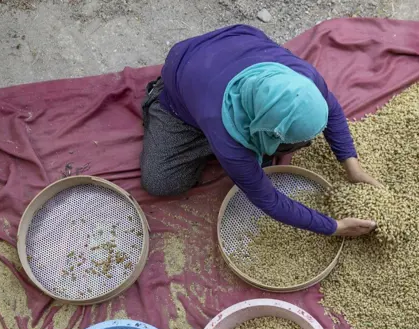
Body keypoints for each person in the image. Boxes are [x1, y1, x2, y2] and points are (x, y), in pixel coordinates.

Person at [139, 24, 379, 237]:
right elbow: (266, 199)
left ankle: (235, 139)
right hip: (182, 90)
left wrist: (352, 166)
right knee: (161, 182)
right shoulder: (224, 132)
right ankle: (162, 103)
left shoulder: (302, 79)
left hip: (232, 48)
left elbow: (331, 108)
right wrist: (334, 226)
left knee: (297, 136)